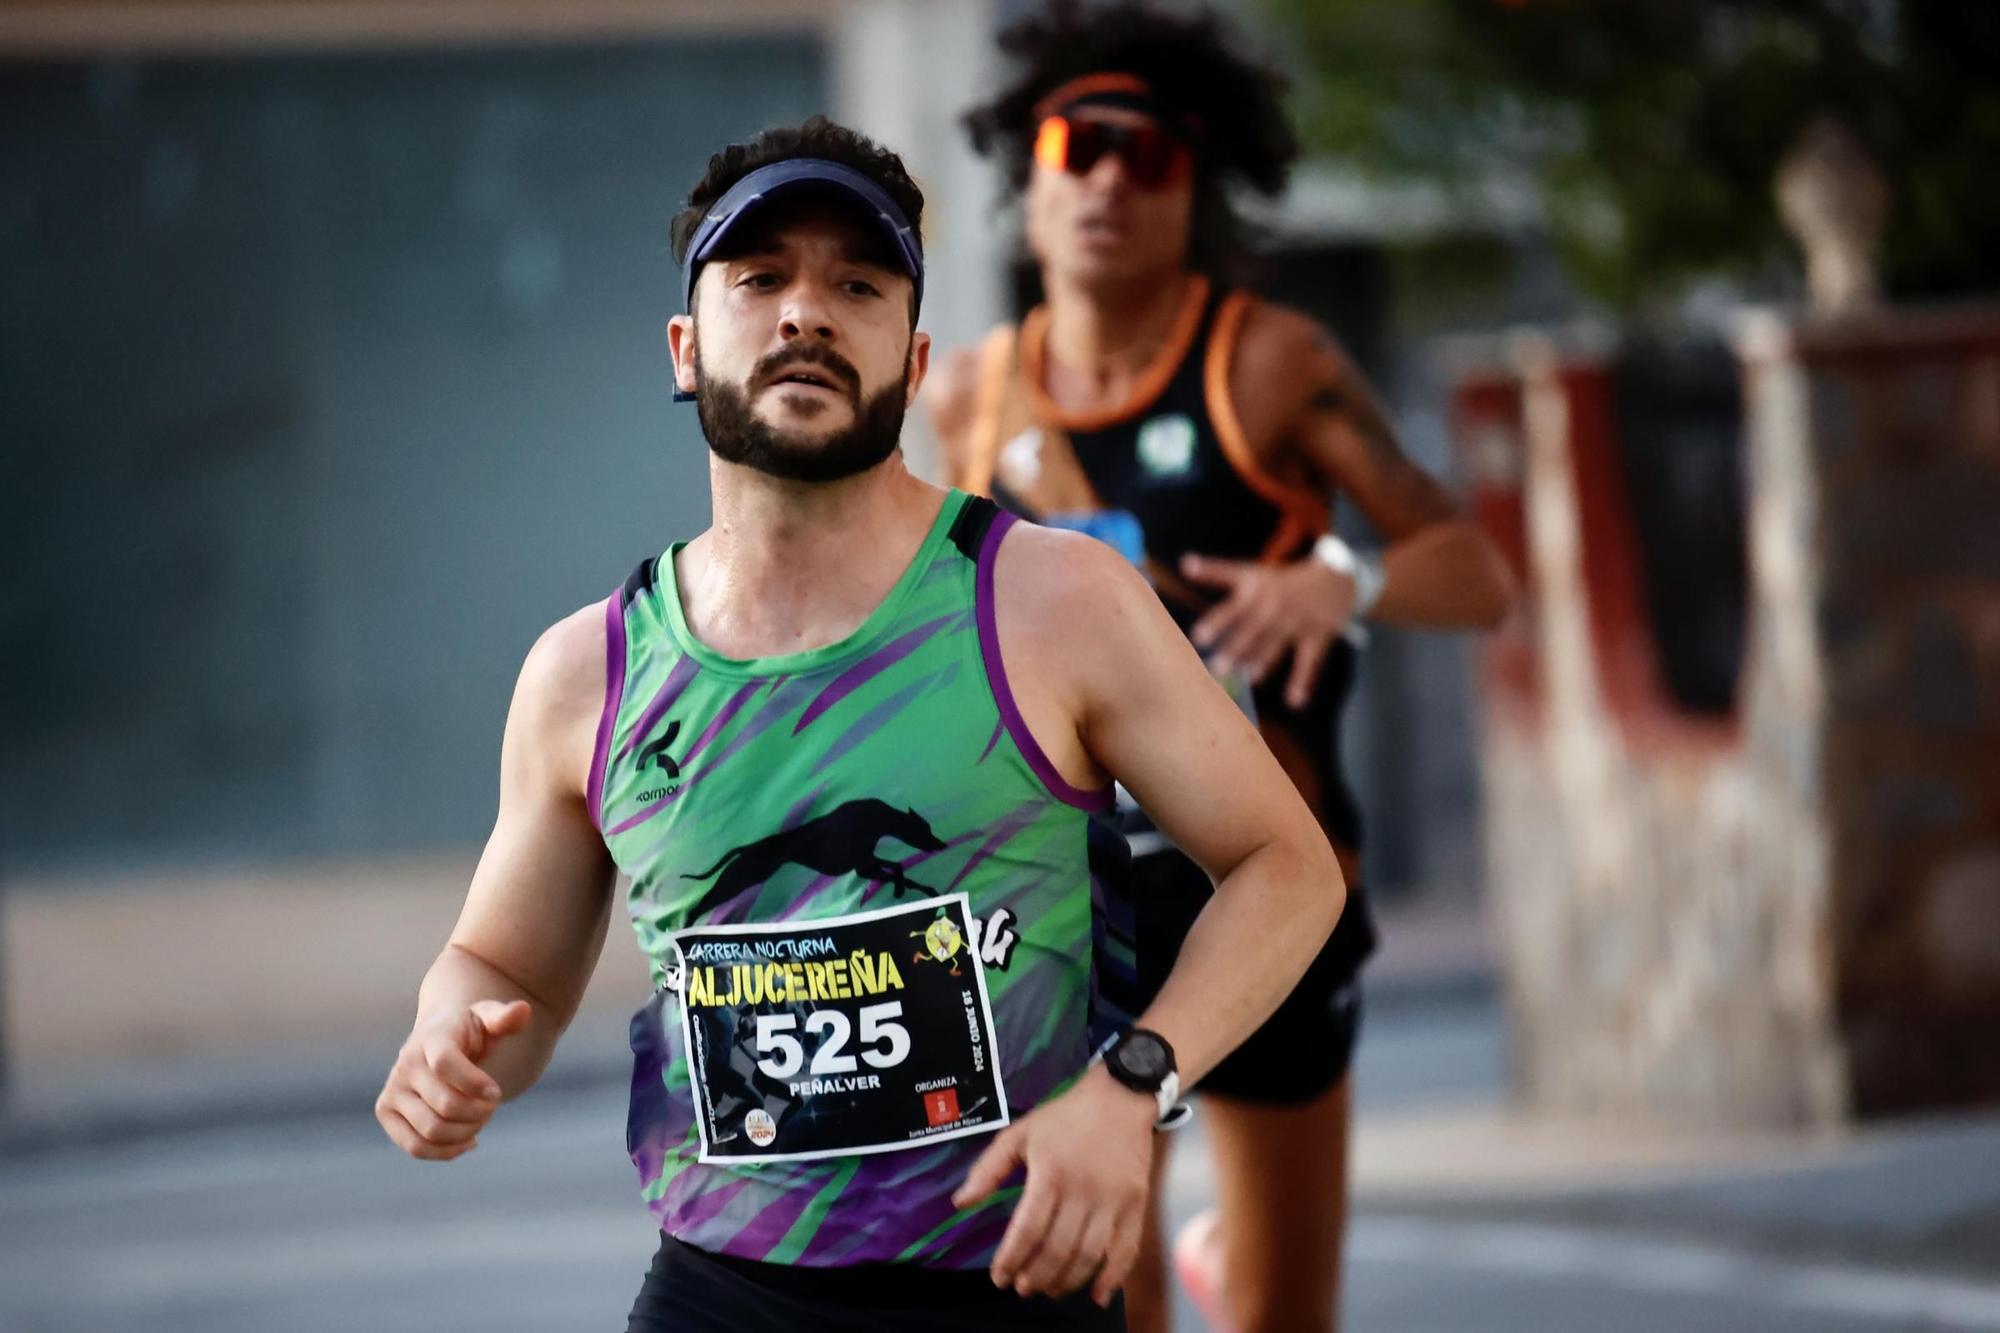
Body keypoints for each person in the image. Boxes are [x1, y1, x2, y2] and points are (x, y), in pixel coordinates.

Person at [373, 116, 1347, 1333]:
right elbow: (503, 971)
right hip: (720, 1292)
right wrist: (447, 1037)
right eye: (760, 279)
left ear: (915, 357)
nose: (805, 313)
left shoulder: (1049, 602)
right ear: (685, 347)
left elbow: (1285, 868)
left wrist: (1130, 1084)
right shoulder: (587, 673)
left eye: (856, 283)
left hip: (1006, 1289)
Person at [927, 8, 1515, 1332]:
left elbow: (1476, 574)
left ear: (1196, 187)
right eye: (1081, 144)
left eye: (1154, 153)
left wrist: (1343, 579)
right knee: (1099, 1302)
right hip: (1073, 919)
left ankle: (1233, 1268)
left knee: (1282, 1318)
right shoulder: (969, 400)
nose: (1112, 180)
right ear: (1033, 173)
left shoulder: (1269, 367)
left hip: (1272, 894)